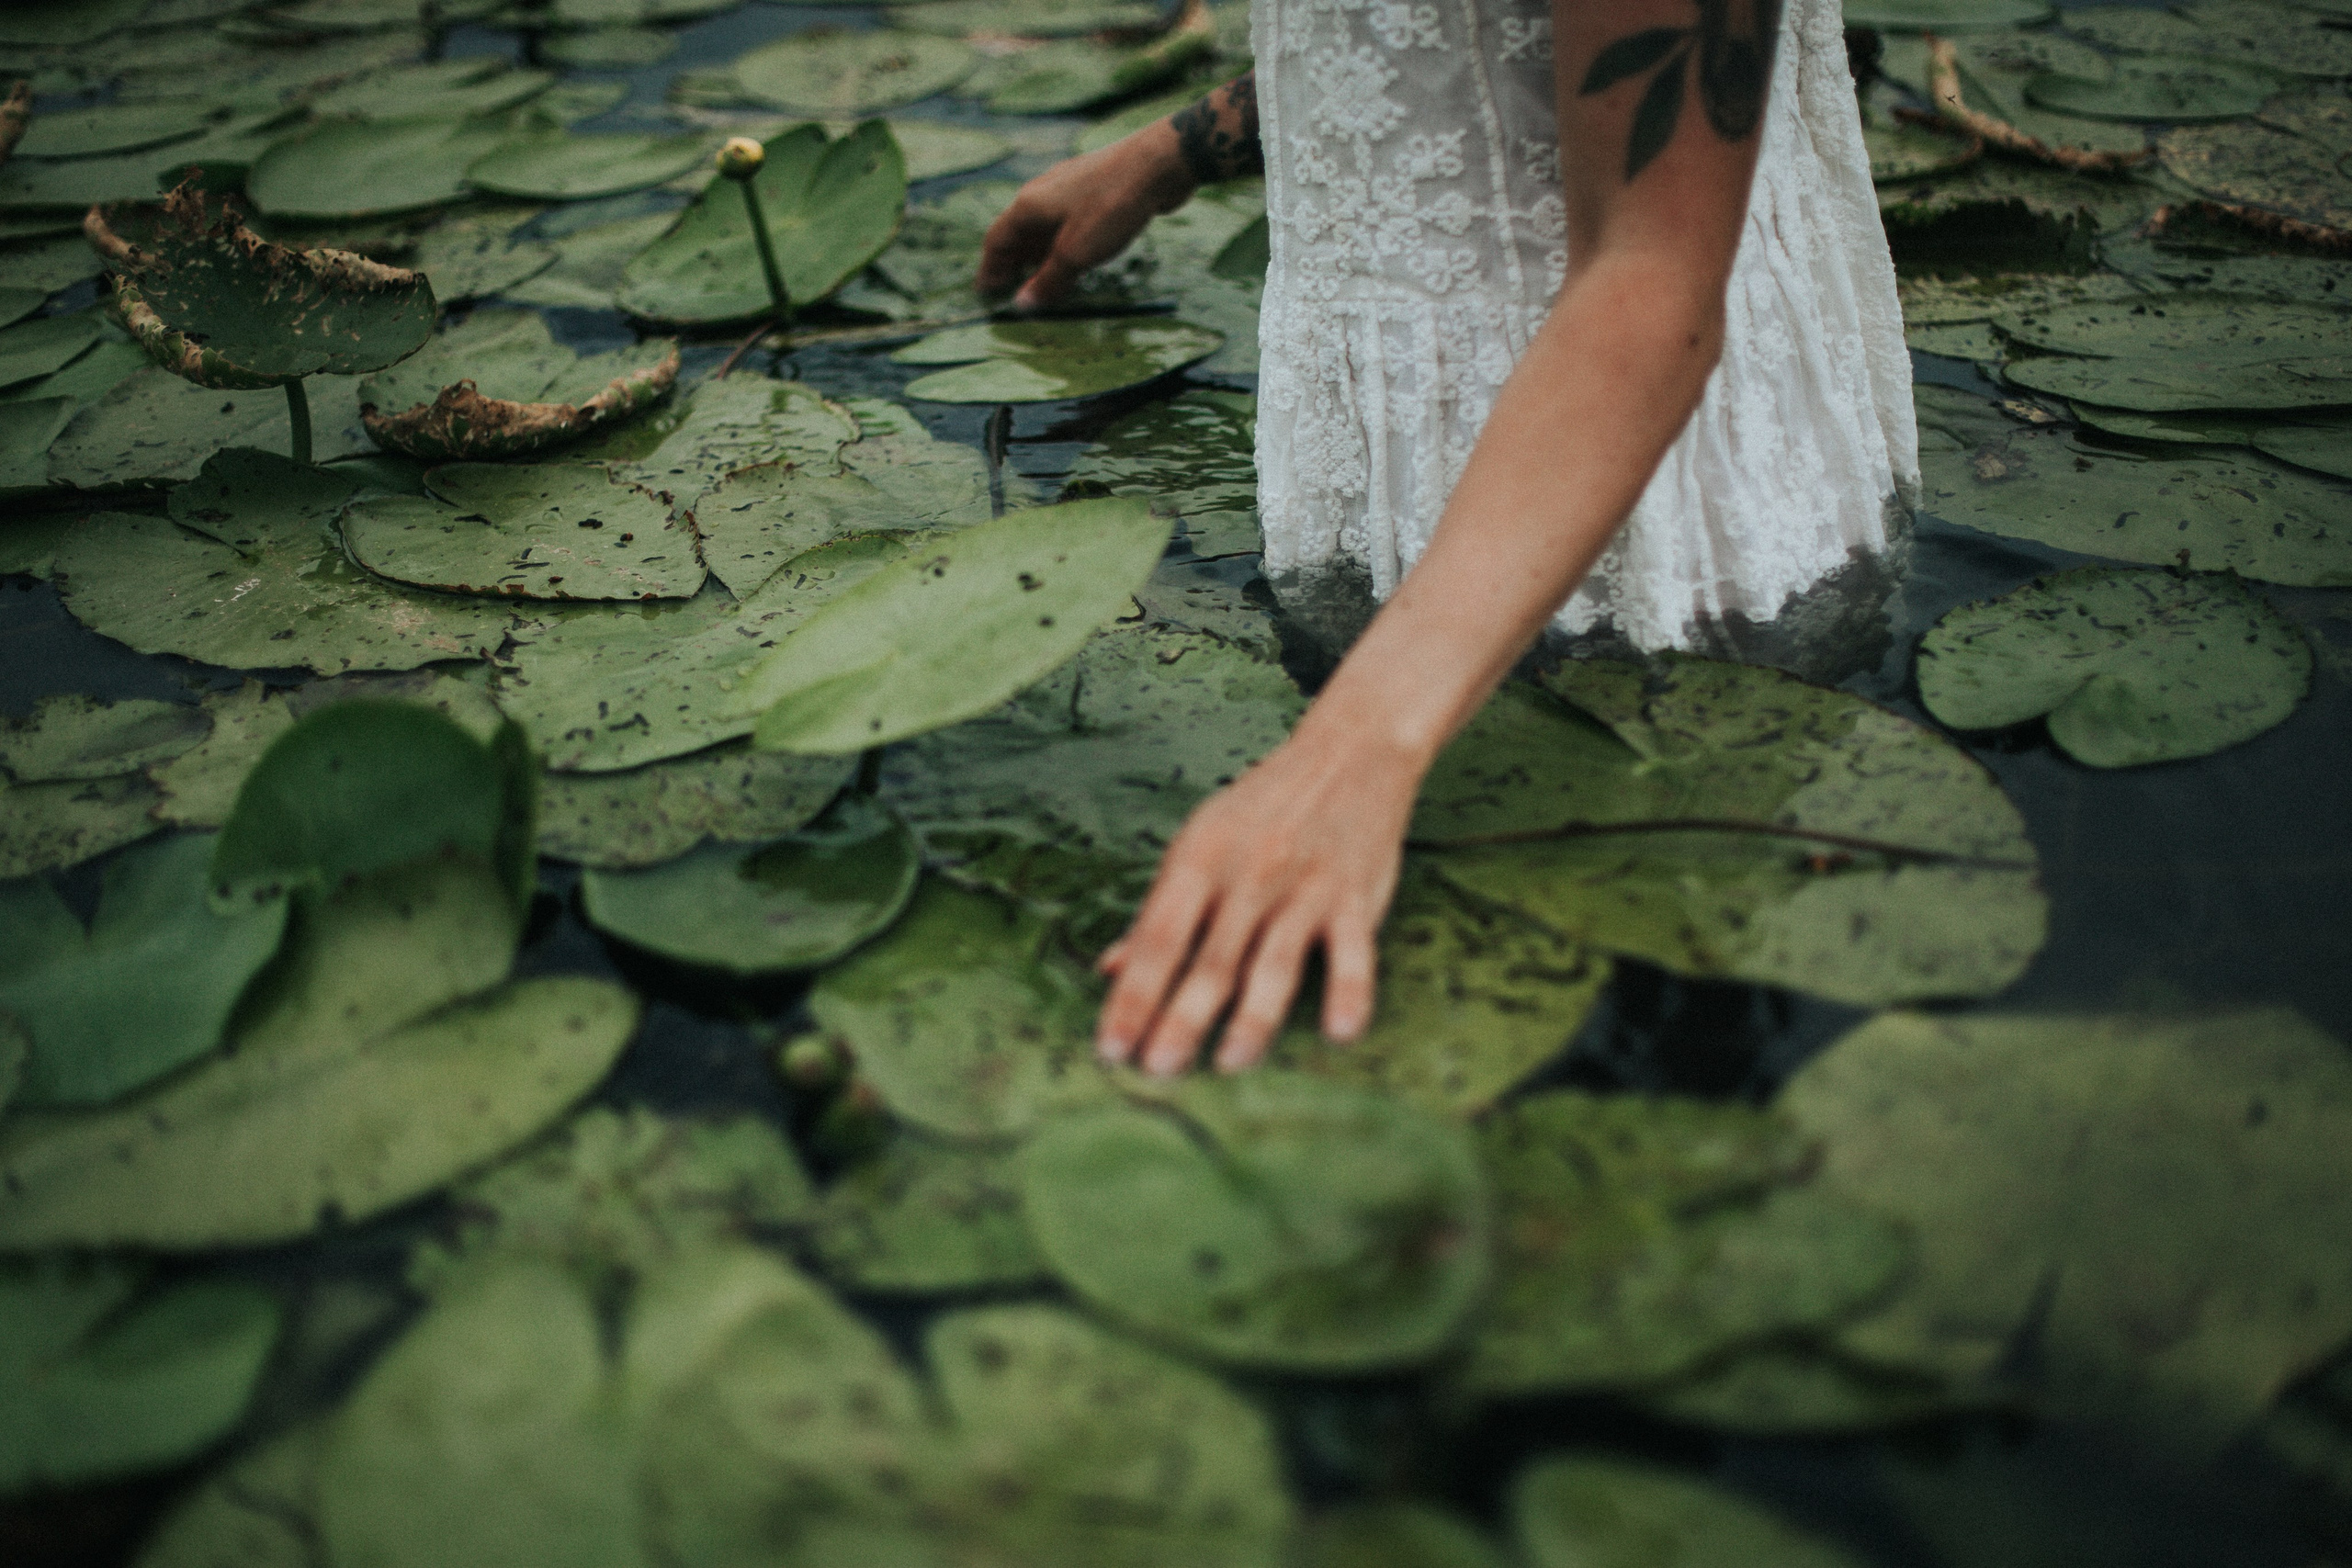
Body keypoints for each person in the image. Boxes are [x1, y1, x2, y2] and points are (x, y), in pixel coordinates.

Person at [976, 0, 1917, 1077]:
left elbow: (1655, 272)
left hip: (1635, 521)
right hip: (1417, 514)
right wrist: (1177, 151)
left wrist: (1346, 754)